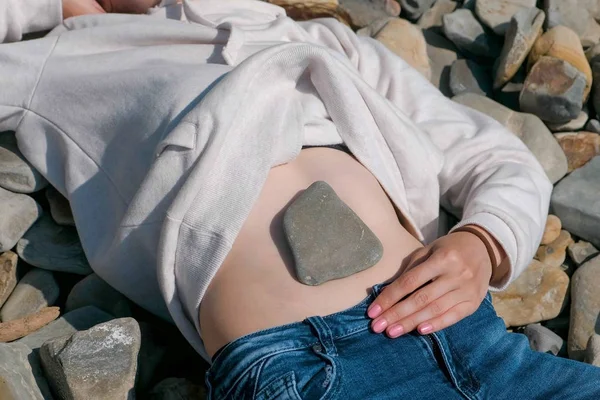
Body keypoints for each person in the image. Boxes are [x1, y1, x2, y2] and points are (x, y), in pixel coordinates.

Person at [1, 0, 599, 398]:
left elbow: (495, 157)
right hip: (306, 367)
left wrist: (483, 242)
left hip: (481, 343)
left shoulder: (323, 41)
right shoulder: (64, 57)